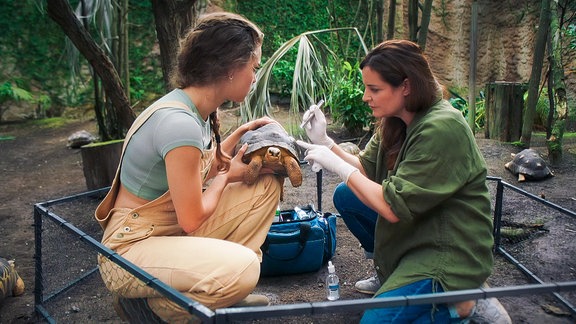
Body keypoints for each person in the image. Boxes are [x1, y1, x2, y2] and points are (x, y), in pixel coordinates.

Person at [94, 12, 282, 322]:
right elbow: (192, 218)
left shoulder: (195, 110)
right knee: (245, 267)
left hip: (166, 229)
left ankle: (223, 293)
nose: (255, 77)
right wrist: (223, 178)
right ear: (232, 68)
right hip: (129, 251)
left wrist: (237, 138)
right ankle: (151, 308)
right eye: (254, 67)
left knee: (264, 185)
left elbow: (189, 174)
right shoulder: (179, 123)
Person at [297, 39, 494, 322]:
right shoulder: (398, 118)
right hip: (415, 226)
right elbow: (365, 170)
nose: (366, 96)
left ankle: (463, 304)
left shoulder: (442, 127)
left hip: (447, 246)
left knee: (375, 321)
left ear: (406, 86)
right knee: (347, 195)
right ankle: (392, 276)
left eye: (374, 89)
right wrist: (325, 142)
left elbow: (391, 205)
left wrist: (337, 164)